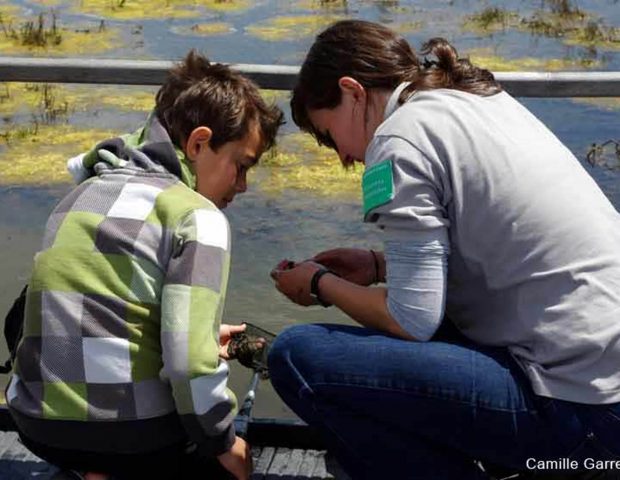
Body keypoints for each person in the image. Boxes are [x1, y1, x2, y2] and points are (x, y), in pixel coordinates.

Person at [268, 19, 620, 479]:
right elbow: (500, 249)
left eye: (330, 135)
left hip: (582, 417)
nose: (342, 158)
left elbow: (412, 321)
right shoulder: (476, 100)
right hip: (601, 385)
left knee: (295, 354)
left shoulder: (397, 139)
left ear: (353, 92)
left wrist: (319, 282)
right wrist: (376, 264)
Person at [6, 50, 283, 480]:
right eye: (241, 166)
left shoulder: (79, 196)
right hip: (136, 435)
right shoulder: (197, 216)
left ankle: (94, 467)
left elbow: (102, 313)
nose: (243, 186)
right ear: (198, 143)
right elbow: (189, 365)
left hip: (35, 424)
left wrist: (204, 335)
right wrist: (226, 444)